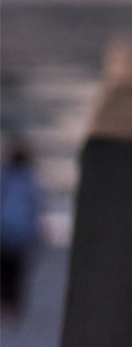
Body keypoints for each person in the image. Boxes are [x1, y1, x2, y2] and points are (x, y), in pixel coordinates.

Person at [0, 136, 42, 320]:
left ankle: (6, 306)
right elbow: (35, 208)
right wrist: (35, 235)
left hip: (4, 230)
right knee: (16, 272)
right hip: (20, 232)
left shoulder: (5, 177)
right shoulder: (31, 181)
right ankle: (12, 307)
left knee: (5, 270)